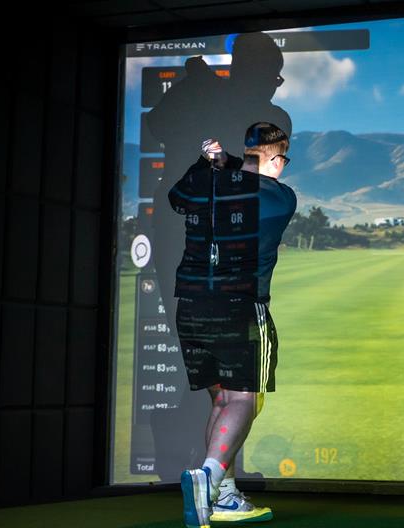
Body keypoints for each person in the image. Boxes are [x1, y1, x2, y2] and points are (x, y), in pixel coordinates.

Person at [169, 122, 296, 528]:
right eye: (283, 159)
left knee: (224, 400)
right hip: (240, 307)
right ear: (275, 159)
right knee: (245, 400)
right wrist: (228, 165)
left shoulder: (209, 185)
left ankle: (222, 496)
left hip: (190, 306)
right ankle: (208, 479)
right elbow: (251, 187)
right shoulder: (281, 196)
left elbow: (178, 197)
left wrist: (211, 164)